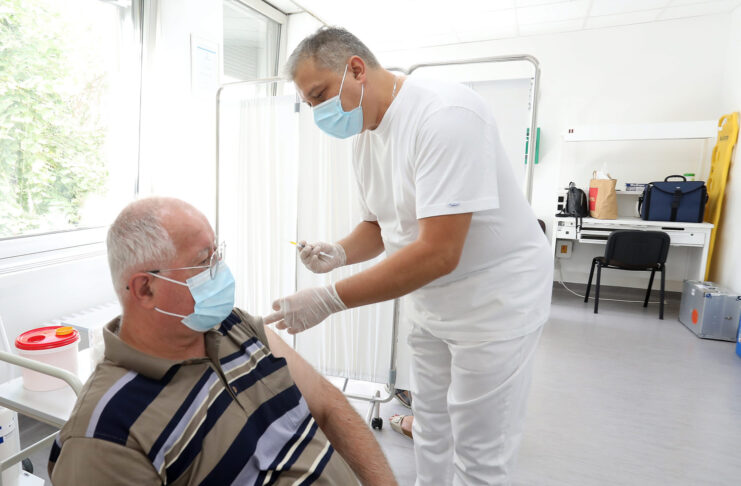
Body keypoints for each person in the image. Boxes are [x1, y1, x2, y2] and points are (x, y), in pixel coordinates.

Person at [265, 27, 553, 486]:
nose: (318, 113)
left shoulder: (446, 115)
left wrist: (329, 299)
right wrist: (339, 252)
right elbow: (383, 225)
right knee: (431, 430)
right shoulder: (366, 137)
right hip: (429, 299)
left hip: (494, 300)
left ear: (356, 69)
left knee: (480, 450)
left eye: (319, 96)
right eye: (309, 103)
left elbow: (439, 252)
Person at [48, 196, 397, 486]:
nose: (221, 271)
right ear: (146, 288)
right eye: (204, 261)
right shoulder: (106, 435)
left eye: (218, 254)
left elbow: (329, 406)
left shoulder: (233, 324)